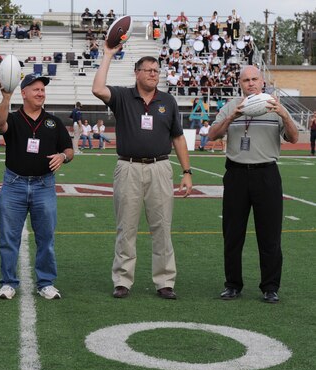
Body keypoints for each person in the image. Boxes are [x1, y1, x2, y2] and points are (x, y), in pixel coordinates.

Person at [92, 50, 193, 300]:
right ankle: (122, 279)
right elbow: (97, 88)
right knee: (126, 227)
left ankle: (165, 281)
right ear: (136, 73)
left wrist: (187, 171)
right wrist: (107, 55)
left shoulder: (168, 101)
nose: (153, 74)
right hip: (128, 166)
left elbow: (178, 138)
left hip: (160, 167)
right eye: (148, 70)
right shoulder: (123, 96)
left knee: (162, 227)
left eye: (156, 70)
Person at [208, 65, 299, 303]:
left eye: (254, 79)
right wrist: (231, 117)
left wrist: (284, 114)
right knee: (232, 234)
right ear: (240, 83)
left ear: (262, 82)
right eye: (246, 80)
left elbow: (294, 138)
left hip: (266, 174)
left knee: (269, 235)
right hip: (236, 174)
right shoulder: (230, 106)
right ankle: (232, 284)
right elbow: (212, 135)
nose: (250, 83)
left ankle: (270, 287)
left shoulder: (273, 105)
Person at [0, 73, 74, 300]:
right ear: (24, 93)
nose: (40, 93)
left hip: (44, 185)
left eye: (42, 90)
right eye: (36, 89)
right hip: (14, 185)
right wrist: (5, 98)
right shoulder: (14, 119)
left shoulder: (54, 122)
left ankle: (45, 282)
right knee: (9, 238)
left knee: (45, 238)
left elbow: (69, 150)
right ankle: (8, 282)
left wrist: (63, 157)